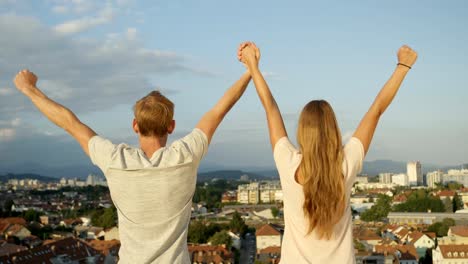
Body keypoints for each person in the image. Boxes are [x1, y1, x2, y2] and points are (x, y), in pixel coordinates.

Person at [13, 55, 252, 263]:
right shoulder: (185, 156)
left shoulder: (115, 160)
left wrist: (29, 88)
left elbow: (70, 123)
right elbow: (219, 110)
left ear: (135, 125)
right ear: (171, 126)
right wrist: (250, 70)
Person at [239, 42, 417, 263]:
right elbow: (376, 110)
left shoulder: (288, 162)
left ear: (303, 131)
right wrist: (403, 66)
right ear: (333, 129)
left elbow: (270, 107)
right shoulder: (346, 164)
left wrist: (253, 67)